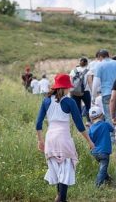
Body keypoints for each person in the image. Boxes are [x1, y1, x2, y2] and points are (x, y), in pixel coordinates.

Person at [35, 74, 95, 202]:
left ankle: (59, 198)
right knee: (66, 170)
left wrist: (40, 140)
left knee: (57, 169)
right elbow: (79, 125)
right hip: (63, 137)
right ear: (65, 88)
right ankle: (62, 199)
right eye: (68, 87)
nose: (69, 90)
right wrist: (89, 141)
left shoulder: (46, 101)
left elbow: (38, 123)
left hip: (50, 137)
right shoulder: (70, 102)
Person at [92, 49, 116, 127]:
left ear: (100, 57)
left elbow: (96, 82)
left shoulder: (99, 65)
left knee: (109, 117)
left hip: (106, 93)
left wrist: (93, 96)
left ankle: (112, 138)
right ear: (108, 55)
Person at [88, 106, 114, 187]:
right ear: (102, 115)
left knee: (103, 167)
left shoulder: (91, 128)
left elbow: (90, 140)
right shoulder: (105, 124)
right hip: (104, 151)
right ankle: (97, 185)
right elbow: (112, 129)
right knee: (103, 169)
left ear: (91, 118)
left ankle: (108, 180)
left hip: (95, 152)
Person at [70, 57, 92, 126]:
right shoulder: (88, 71)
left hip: (74, 92)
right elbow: (90, 83)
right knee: (88, 106)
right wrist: (93, 92)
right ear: (87, 63)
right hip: (85, 91)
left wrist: (70, 91)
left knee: (77, 107)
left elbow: (70, 82)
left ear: (79, 63)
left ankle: (79, 123)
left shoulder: (73, 71)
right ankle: (88, 121)